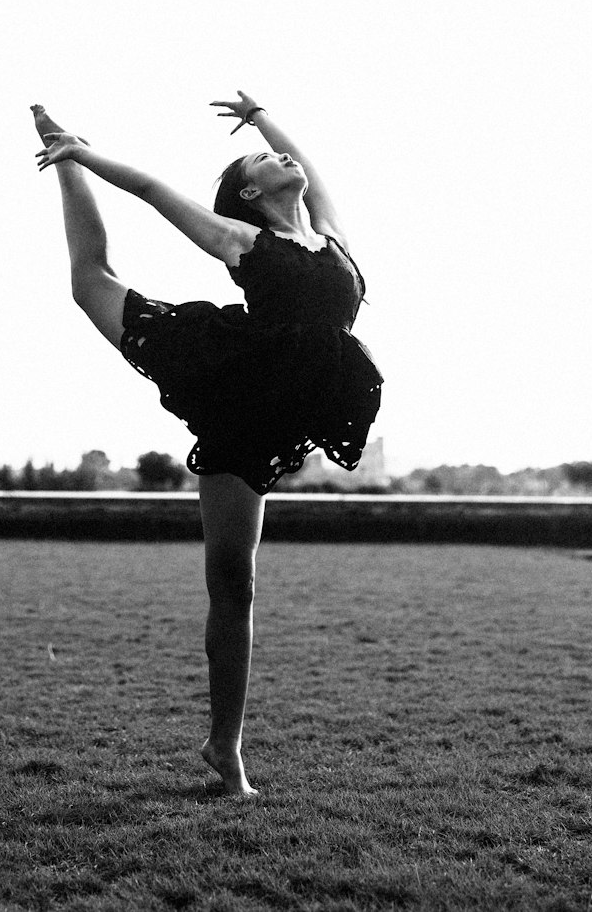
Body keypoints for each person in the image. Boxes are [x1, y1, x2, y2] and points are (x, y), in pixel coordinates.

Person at [32, 91, 382, 797]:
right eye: (263, 159)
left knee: (237, 581)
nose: (285, 160)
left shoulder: (332, 237)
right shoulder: (244, 240)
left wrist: (262, 120)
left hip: (295, 398)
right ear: (251, 192)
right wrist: (82, 155)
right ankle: (226, 748)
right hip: (235, 384)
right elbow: (156, 192)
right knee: (232, 578)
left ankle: (223, 746)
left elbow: (308, 164)